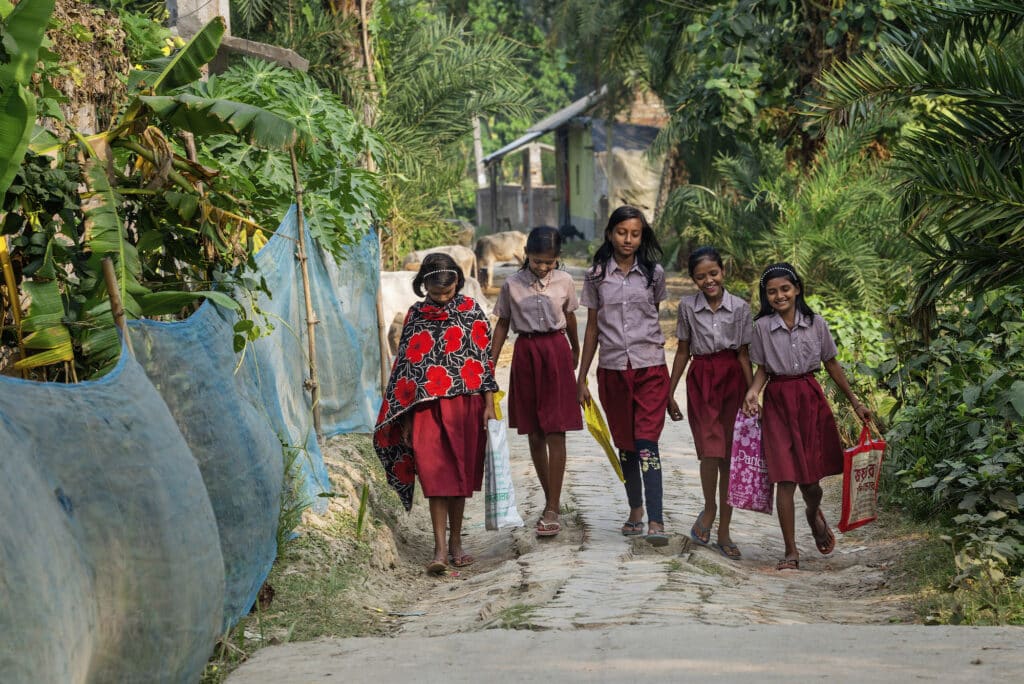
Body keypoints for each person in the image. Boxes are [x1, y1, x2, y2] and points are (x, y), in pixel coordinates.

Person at [374, 253, 499, 575]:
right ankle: (440, 548)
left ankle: (456, 543)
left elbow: (484, 361)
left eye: (447, 293)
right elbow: (406, 366)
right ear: (423, 285)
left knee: (458, 477)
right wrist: (404, 415)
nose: (442, 300)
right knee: (434, 477)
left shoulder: (472, 312)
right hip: (425, 408)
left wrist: (489, 405)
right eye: (435, 294)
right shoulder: (416, 314)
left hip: (466, 406)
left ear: (457, 281)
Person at [741, 262, 871, 571]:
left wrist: (855, 402)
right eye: (772, 292)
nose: (779, 296)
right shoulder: (761, 328)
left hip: (809, 399)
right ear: (766, 296)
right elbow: (762, 370)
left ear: (797, 289)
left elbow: (832, 364)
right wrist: (752, 392)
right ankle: (790, 551)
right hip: (778, 402)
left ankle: (813, 514)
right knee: (784, 478)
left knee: (811, 484)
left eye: (785, 289)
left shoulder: (816, 324)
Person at [576, 205, 671, 546]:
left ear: (642, 236)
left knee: (647, 442)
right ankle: (635, 509)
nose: (628, 240)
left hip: (650, 368)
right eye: (621, 233)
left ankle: (656, 519)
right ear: (610, 234)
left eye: (635, 234)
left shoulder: (653, 273)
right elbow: (591, 330)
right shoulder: (596, 275)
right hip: (613, 369)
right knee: (626, 444)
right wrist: (581, 376)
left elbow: (653, 318)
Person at [491, 226, 582, 537]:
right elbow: (503, 324)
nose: (543, 268)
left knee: (557, 429)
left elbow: (570, 316)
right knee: (534, 432)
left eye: (550, 262)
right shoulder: (512, 285)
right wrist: (489, 364)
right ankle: (549, 498)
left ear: (557, 259)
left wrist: (575, 350)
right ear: (526, 253)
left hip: (556, 351)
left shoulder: (565, 282)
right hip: (526, 354)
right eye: (538, 261)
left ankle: (553, 506)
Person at [667, 247, 753, 561]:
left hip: (733, 380)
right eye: (700, 277)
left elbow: (744, 355)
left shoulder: (741, 308)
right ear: (693, 280)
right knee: (709, 450)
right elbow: (682, 351)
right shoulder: (688, 307)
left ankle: (724, 530)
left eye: (713, 273)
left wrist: (752, 393)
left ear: (723, 271)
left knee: (729, 455)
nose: (708, 281)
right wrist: (669, 390)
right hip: (701, 378)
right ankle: (709, 507)